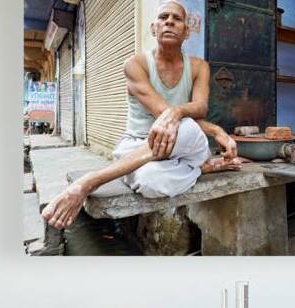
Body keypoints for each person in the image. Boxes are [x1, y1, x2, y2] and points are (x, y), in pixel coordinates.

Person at [43, 0, 241, 230]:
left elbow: (199, 108)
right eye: (163, 17)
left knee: (186, 127)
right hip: (140, 143)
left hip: (183, 140)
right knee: (151, 183)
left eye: (177, 19)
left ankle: (91, 181)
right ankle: (200, 168)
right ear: (153, 28)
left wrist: (213, 129)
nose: (169, 22)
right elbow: (162, 115)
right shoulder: (135, 64)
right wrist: (179, 115)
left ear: (186, 31)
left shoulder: (199, 67)